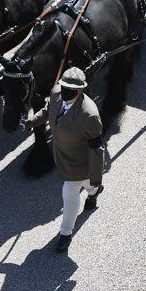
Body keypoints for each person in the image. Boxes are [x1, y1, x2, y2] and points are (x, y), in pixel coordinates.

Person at [23, 67, 104, 253]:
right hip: (61, 156)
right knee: (88, 184)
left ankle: (66, 234)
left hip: (80, 162)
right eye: (64, 86)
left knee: (69, 193)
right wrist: (32, 122)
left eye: (71, 89)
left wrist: (96, 175)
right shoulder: (56, 93)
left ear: (81, 90)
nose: (66, 91)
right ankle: (94, 190)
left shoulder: (89, 115)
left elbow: (97, 148)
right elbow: (47, 110)